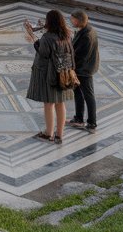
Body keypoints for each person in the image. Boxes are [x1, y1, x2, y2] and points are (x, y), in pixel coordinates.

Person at [23, 10, 76, 144]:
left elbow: (43, 53)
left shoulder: (47, 37)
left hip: (50, 74)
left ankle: (49, 133)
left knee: (49, 103)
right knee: (60, 103)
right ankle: (59, 134)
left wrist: (32, 35)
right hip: (64, 73)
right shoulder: (67, 34)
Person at [68, 9, 100, 132]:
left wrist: (71, 68)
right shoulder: (86, 29)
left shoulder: (86, 35)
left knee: (88, 95)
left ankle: (92, 122)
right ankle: (79, 118)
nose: (71, 21)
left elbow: (79, 55)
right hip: (82, 68)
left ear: (78, 20)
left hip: (84, 70)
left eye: (72, 19)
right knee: (78, 93)